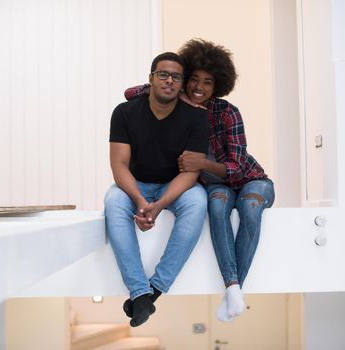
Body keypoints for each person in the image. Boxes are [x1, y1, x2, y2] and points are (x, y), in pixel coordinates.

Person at [125, 39, 275, 322]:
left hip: (251, 181)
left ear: (217, 85)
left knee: (251, 208)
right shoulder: (176, 106)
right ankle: (234, 291)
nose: (199, 87)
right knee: (216, 207)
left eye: (207, 82)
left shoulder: (226, 112)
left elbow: (239, 167)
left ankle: (234, 289)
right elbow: (131, 92)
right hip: (217, 187)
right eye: (193, 79)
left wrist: (203, 164)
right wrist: (173, 91)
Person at [105, 52, 209, 327]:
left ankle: (154, 291)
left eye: (176, 77)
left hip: (174, 185)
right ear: (151, 78)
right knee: (113, 200)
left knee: (198, 201)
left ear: (182, 83)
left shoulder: (196, 119)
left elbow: (191, 173)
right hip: (134, 183)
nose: (169, 80)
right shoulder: (124, 112)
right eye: (163, 74)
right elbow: (119, 165)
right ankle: (139, 292)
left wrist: (160, 204)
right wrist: (140, 201)